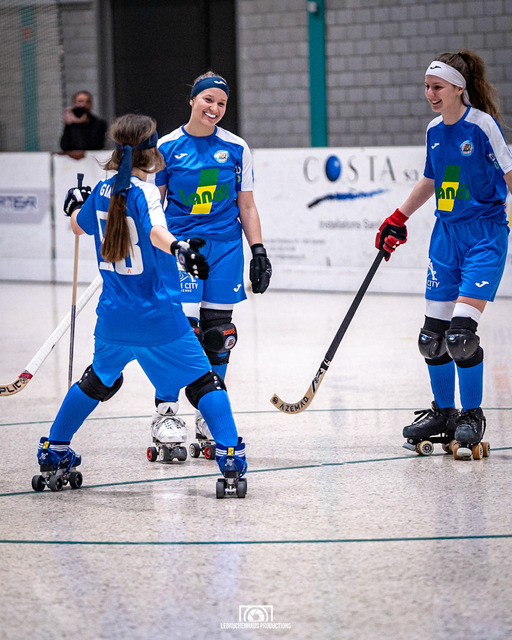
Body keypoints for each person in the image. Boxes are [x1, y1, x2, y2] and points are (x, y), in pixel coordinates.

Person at [32, 113, 247, 496]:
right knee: (205, 381)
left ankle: (54, 449)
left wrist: (76, 205)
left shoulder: (102, 190)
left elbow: (78, 226)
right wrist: (180, 249)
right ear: (151, 154)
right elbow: (156, 231)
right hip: (158, 318)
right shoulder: (144, 192)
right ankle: (230, 456)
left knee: (96, 380)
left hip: (113, 321)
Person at [375, 49, 512, 458]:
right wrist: (397, 218)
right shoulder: (434, 130)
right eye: (427, 87)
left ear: (458, 88)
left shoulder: (482, 126)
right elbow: (431, 180)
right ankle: (444, 414)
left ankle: (472, 415)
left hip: (484, 235)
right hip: (445, 237)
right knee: (431, 340)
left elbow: (509, 175)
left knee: (460, 337)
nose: (430, 94)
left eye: (437, 87)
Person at [153, 71, 272, 451]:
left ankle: (208, 413)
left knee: (220, 336)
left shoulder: (236, 147)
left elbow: (246, 205)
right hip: (182, 248)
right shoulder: (167, 147)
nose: (215, 108)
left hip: (225, 248)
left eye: (221, 103)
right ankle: (166, 412)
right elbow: (154, 205)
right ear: (192, 100)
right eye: (208, 100)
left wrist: (258, 251)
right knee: (182, 333)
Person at [60, 90, 107, 160]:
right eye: (80, 101)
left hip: (93, 160)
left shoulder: (99, 123)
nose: (84, 104)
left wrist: (83, 124)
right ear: (74, 104)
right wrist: (69, 125)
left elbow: (96, 145)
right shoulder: (71, 124)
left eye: (88, 102)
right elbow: (65, 146)